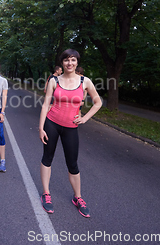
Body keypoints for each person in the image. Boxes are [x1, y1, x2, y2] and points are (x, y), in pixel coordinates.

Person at [38, 49, 101, 217]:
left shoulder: (85, 81)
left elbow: (98, 102)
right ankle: (46, 193)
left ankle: (78, 197)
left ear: (77, 62)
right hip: (52, 123)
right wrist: (41, 127)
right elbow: (46, 105)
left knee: (72, 164)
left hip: (71, 128)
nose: (69, 63)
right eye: (66, 60)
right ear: (62, 63)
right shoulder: (54, 81)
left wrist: (85, 118)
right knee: (47, 158)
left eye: (72, 60)